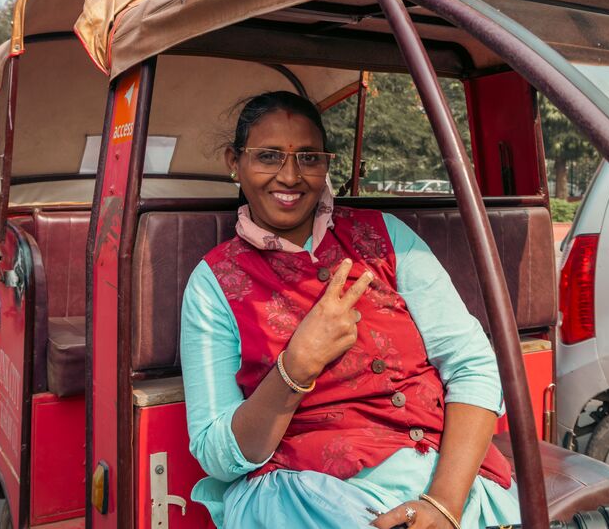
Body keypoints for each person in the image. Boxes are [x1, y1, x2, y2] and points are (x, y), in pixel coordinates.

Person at [180, 91, 520, 529]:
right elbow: (217, 455)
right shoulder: (213, 282)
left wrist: (444, 503)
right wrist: (297, 366)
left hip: (439, 474)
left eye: (309, 158)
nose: (290, 176)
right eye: (268, 156)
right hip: (303, 492)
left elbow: (473, 365)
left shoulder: (387, 237)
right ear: (234, 161)